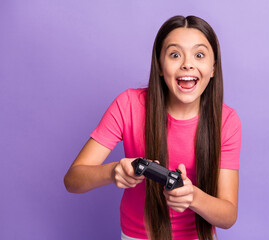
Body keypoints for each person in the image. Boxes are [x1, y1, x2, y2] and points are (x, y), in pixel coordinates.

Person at [64, 15, 241, 240]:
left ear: (213, 68)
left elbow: (228, 216)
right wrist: (112, 172)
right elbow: (72, 180)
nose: (188, 63)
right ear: (159, 65)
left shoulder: (227, 121)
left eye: (199, 55)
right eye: (175, 54)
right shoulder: (128, 105)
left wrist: (193, 197)